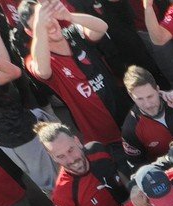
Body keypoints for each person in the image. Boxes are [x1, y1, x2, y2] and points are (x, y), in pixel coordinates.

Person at [23, 0, 127, 147]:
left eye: (49, 17)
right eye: (40, 24)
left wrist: (69, 16)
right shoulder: (35, 59)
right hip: (104, 138)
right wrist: (40, 26)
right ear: (31, 32)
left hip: (127, 115)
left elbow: (101, 27)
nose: (50, 24)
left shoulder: (73, 33)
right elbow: (43, 71)